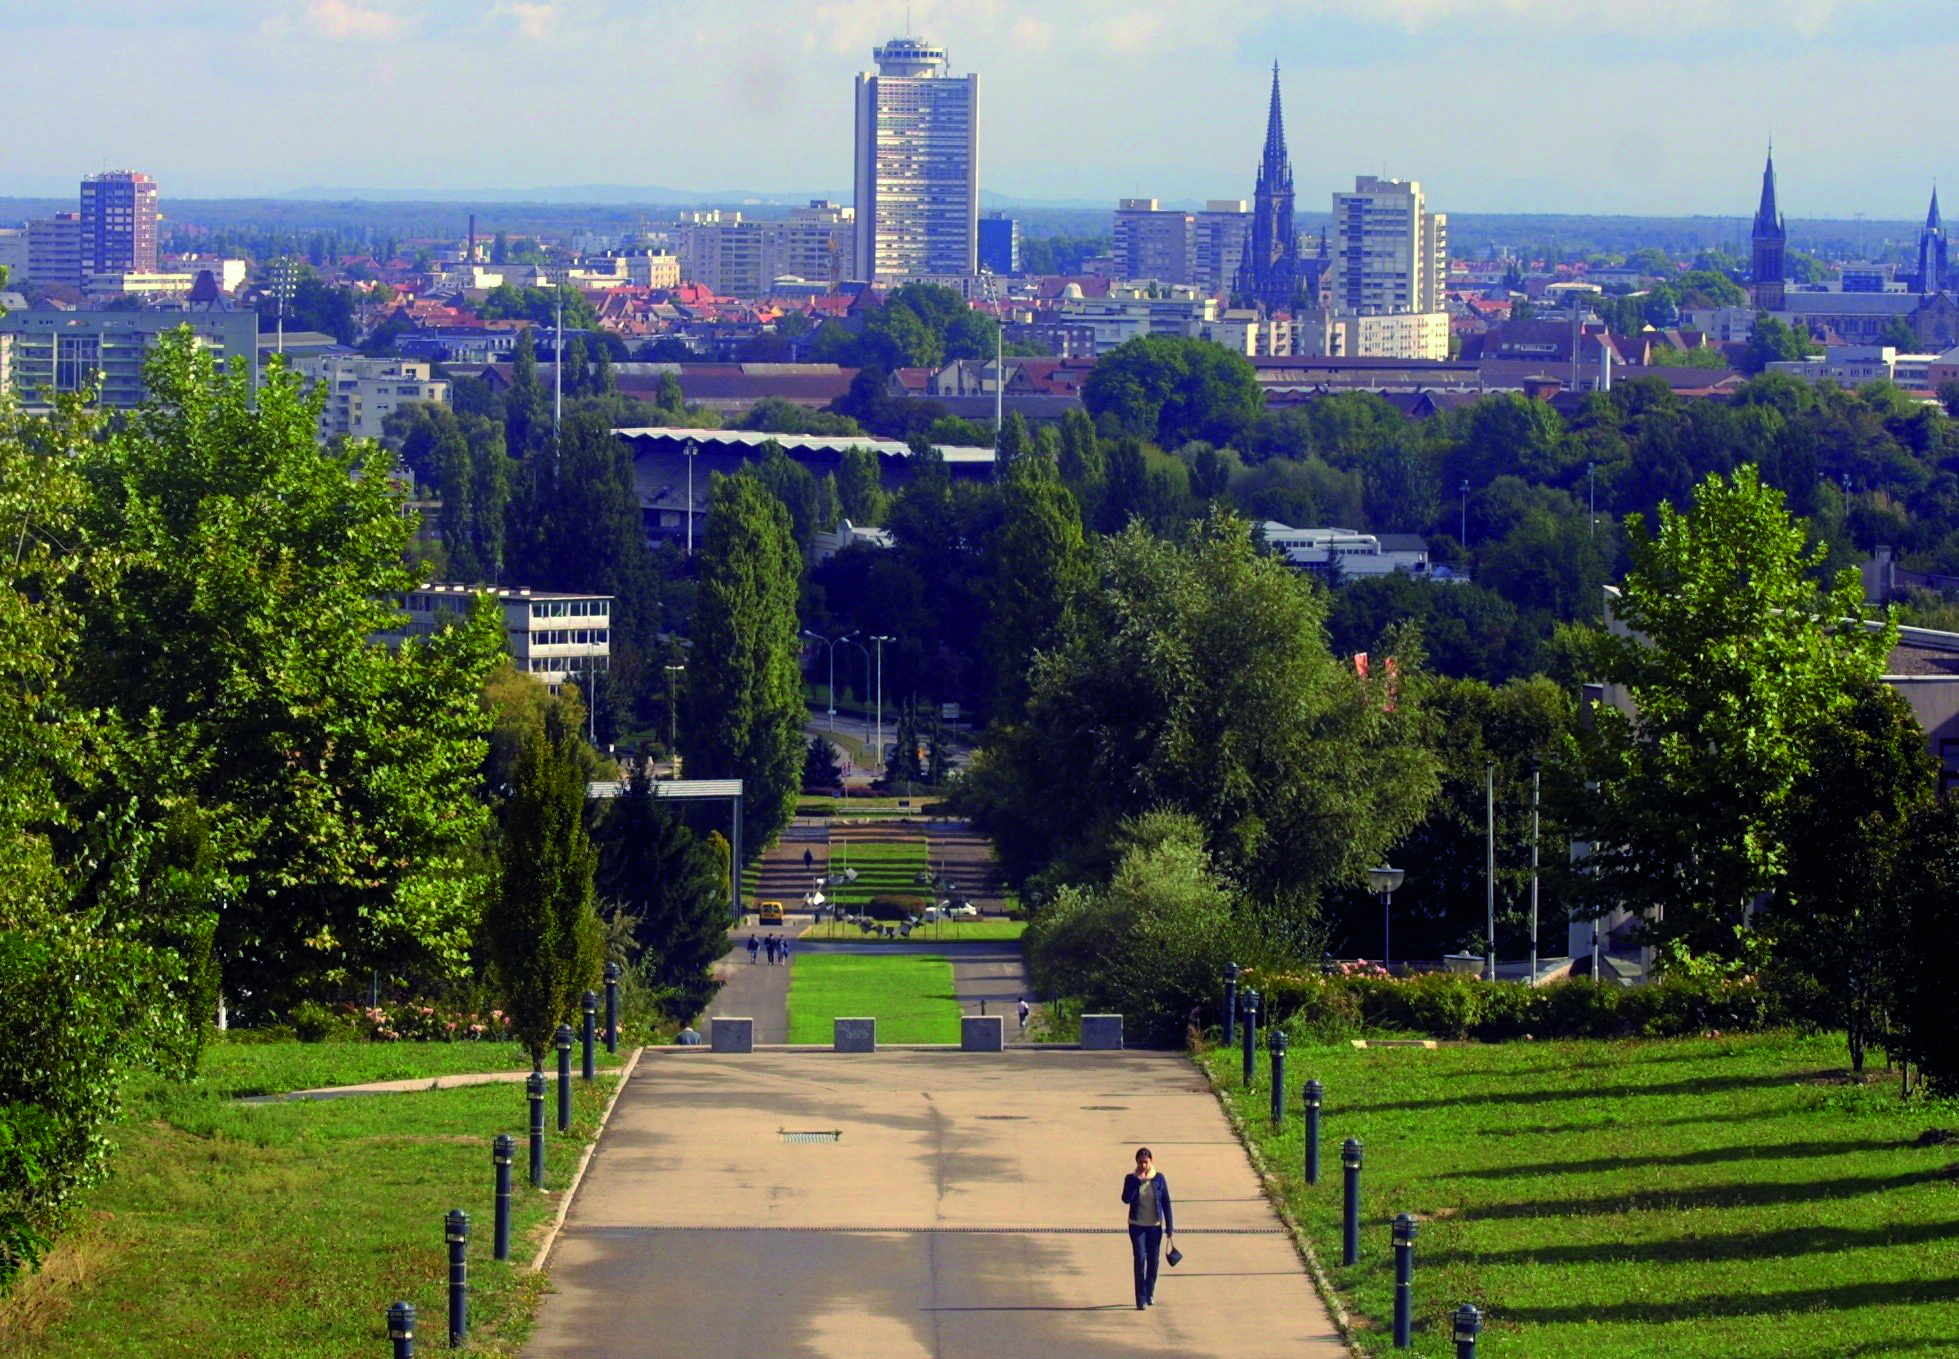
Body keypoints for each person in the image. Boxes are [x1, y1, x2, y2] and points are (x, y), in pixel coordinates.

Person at [1120, 1146, 1174, 1310]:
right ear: (1136, 1162)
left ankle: (1149, 1291)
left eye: (1146, 1162)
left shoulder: (1159, 1179)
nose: (1143, 1165)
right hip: (1137, 1226)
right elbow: (1126, 1199)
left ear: (1151, 1161)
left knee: (1153, 1261)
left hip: (1154, 1227)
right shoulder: (1131, 1178)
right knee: (1140, 1259)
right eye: (1140, 1162)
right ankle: (1140, 1298)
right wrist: (1137, 1180)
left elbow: (1166, 1203)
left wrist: (1170, 1226)